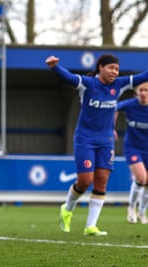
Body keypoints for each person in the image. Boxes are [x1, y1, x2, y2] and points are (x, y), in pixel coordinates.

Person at [46, 54, 148, 236]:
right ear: (100, 67)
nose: (114, 72)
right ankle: (67, 209)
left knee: (101, 181)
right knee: (85, 180)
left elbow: (143, 77)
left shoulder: (119, 84)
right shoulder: (88, 84)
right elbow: (70, 78)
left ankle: (91, 226)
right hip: (85, 139)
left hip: (106, 140)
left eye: (117, 69)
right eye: (111, 68)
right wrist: (55, 67)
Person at [115, 81, 148, 224]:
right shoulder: (130, 105)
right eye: (141, 90)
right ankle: (131, 208)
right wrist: (111, 127)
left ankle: (142, 213)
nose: (143, 93)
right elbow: (113, 108)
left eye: (146, 90)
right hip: (133, 147)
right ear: (136, 92)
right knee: (142, 178)